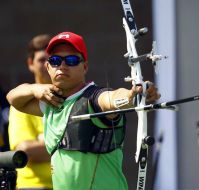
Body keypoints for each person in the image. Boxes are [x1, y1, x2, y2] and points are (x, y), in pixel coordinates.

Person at [6, 31, 160, 190]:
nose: (62, 66)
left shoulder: (94, 98)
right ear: (48, 67)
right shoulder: (52, 103)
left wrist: (132, 95)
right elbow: (13, 99)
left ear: (84, 67)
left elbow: (112, 99)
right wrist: (35, 89)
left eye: (72, 60)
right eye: (55, 60)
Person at [8, 34, 53, 190]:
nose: (47, 64)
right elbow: (25, 151)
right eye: (41, 60)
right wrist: (67, 142)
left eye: (52, 59)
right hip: (34, 186)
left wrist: (42, 142)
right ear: (30, 63)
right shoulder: (21, 103)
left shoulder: (71, 98)